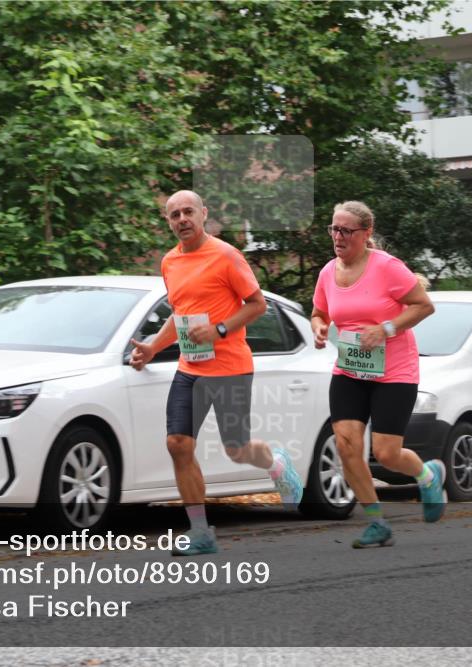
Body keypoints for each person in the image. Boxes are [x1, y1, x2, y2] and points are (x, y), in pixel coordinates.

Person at [129, 190, 304, 556]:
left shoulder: (226, 255)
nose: (182, 220)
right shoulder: (169, 262)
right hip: (190, 367)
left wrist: (220, 330)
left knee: (236, 449)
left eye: (188, 211)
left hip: (230, 368)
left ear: (203, 213)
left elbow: (257, 305)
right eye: (174, 214)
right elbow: (181, 313)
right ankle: (200, 532)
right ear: (168, 221)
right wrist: (152, 347)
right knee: (178, 444)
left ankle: (275, 461)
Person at [310, 201, 444, 549]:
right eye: (333, 229)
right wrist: (320, 328)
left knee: (386, 453)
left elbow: (424, 306)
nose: (338, 237)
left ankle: (428, 475)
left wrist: (384, 329)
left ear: (365, 234)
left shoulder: (387, 268)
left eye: (346, 231)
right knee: (346, 444)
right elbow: (318, 312)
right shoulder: (328, 272)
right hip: (350, 369)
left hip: (393, 371)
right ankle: (376, 522)